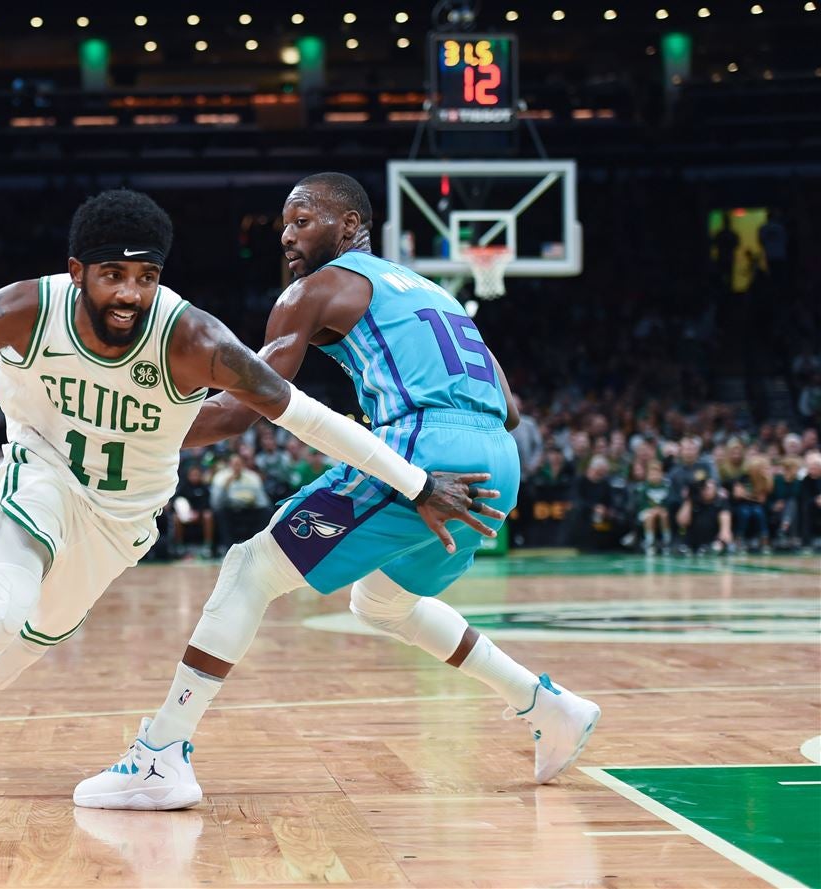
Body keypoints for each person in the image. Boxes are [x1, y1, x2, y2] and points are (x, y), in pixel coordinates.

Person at [0, 188, 499, 845]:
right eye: (112, 276)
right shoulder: (24, 309)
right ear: (76, 272)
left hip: (120, 524)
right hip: (39, 478)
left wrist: (413, 482)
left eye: (145, 278)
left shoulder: (194, 337)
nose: (130, 293)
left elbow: (305, 416)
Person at [73, 173, 600, 812]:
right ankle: (547, 704)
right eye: (285, 226)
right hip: (497, 459)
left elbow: (250, 404)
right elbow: (511, 408)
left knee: (249, 569)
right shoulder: (432, 292)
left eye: (303, 221)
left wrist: (133, 431)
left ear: (350, 227)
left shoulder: (314, 289)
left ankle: (160, 754)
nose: (289, 237)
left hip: (425, 450)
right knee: (382, 605)